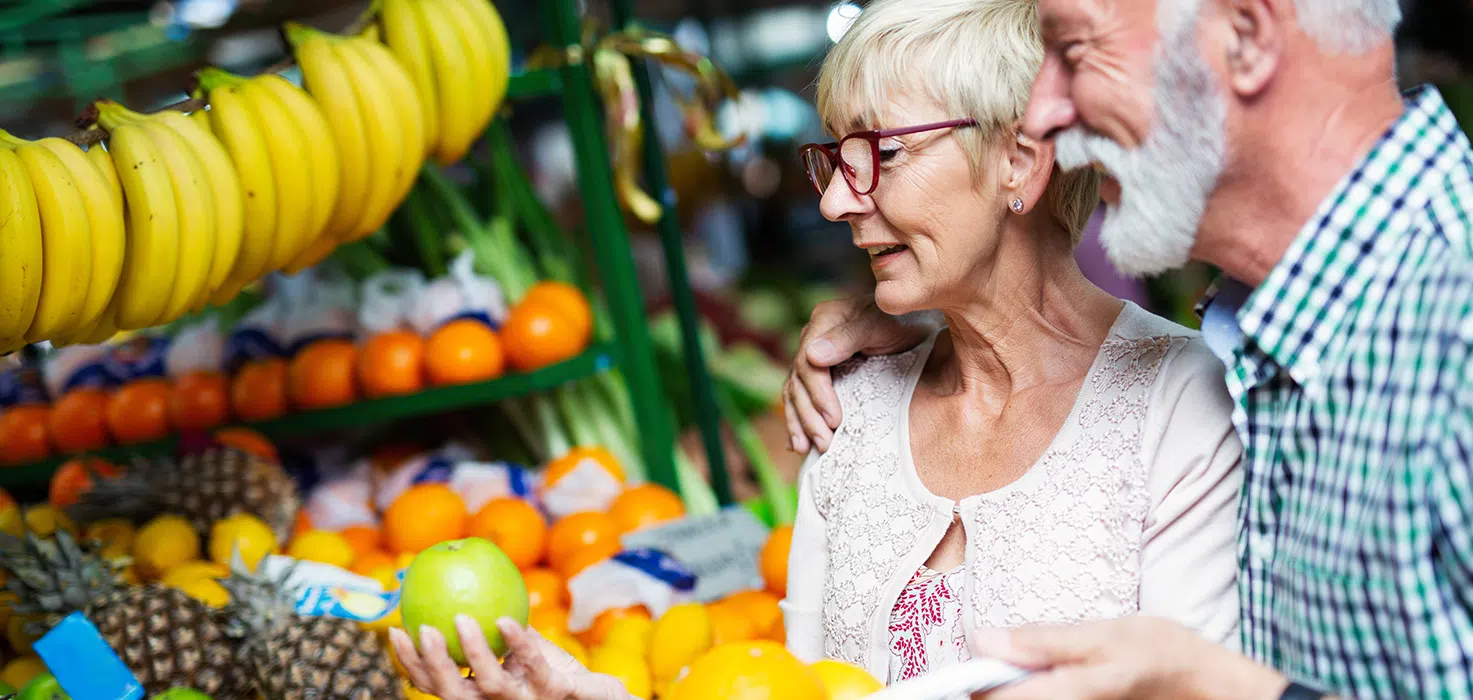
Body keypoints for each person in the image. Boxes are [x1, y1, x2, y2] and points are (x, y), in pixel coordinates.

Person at [392, 0, 1244, 696]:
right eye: (836, 155)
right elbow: (789, 686)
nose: (838, 199)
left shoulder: (1180, 408)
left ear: (1019, 161)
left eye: (880, 153)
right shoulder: (855, 408)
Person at [786, 0, 1473, 698]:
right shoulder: (1274, 343)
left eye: (1077, 52)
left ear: (1245, 37)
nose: (1043, 117)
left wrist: (1238, 691)